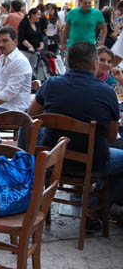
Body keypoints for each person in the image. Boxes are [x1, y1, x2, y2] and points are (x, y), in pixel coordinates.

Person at [28, 42, 123, 226]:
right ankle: (93, 209)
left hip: (53, 159)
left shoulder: (51, 84)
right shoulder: (106, 92)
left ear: (68, 62)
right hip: (94, 161)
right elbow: (111, 138)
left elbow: (31, 118)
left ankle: (28, 181)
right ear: (94, 64)